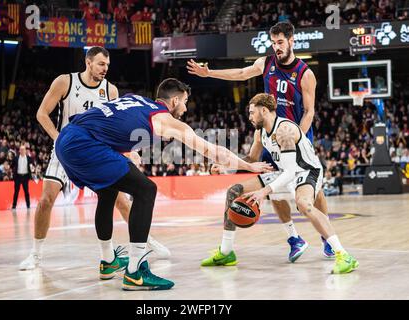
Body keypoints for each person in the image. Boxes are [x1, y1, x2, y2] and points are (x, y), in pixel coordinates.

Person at [55, 78, 272, 290]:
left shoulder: (135, 99)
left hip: (66, 138)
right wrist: (248, 166)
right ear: (175, 100)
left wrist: (127, 150)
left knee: (108, 191)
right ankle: (135, 271)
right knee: (146, 189)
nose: (186, 108)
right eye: (185, 102)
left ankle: (108, 260)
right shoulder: (164, 120)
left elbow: (110, 123)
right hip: (84, 145)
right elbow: (211, 150)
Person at [187, 21, 334, 262]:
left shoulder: (305, 73)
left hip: (296, 138)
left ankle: (328, 239)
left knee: (313, 190)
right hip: (269, 135)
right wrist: (209, 72)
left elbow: (309, 111)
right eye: (273, 43)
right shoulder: (266, 63)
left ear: (291, 41)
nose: (276, 47)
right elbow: (241, 74)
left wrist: (298, 139)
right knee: (272, 186)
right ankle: (294, 238)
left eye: (280, 42)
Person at [19, 46, 170, 271]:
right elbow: (42, 113)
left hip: (98, 152)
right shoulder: (65, 82)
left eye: (107, 65)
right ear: (88, 62)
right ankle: (36, 254)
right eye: (101, 64)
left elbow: (117, 127)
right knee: (46, 200)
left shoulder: (111, 90)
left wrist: (130, 151)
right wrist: (59, 139)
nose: (105, 69)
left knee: (120, 200)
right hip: (67, 148)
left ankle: (145, 241)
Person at [203, 93, 358, 274]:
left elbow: (292, 172)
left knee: (303, 204)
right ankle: (226, 252)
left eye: (252, 113)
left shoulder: (284, 131)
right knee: (234, 191)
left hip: (306, 170)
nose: (250, 117)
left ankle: (343, 254)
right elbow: (251, 159)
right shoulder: (260, 133)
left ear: (264, 110)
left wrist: (264, 192)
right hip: (285, 172)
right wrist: (226, 167)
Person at [11, 145, 32, 209]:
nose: (22, 151)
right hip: (18, 177)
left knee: (26, 192)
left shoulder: (29, 158)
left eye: (23, 149)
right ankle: (14, 205)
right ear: (19, 151)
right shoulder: (16, 158)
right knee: (16, 192)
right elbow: (12, 165)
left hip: (25, 177)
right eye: (21, 150)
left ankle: (28, 205)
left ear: (25, 150)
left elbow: (31, 167)